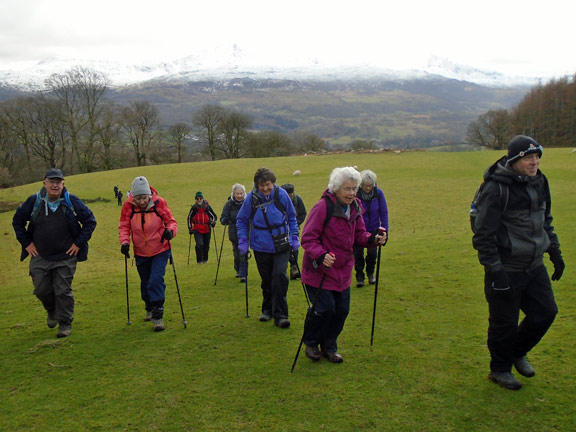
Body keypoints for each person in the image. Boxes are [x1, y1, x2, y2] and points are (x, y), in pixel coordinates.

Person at [472, 135, 565, 390]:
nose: (534, 162)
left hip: (534, 264)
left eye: (537, 157)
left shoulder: (540, 181)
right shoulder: (496, 188)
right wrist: (495, 271)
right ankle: (499, 369)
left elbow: (545, 219)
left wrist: (554, 251)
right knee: (504, 322)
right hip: (506, 267)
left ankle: (517, 351)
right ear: (515, 159)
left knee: (546, 313)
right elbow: (483, 235)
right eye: (528, 157)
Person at [300, 167, 387, 363]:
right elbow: (307, 238)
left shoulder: (355, 207)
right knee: (324, 309)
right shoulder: (322, 207)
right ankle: (312, 343)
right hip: (319, 271)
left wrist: (373, 238)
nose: (352, 193)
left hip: (343, 271)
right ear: (336, 188)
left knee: (341, 310)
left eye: (354, 189)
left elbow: (360, 235)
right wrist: (321, 255)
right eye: (347, 189)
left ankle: (330, 346)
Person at [12, 168, 97, 338]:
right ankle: (51, 310)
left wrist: (78, 244)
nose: (55, 185)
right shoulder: (34, 201)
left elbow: (90, 221)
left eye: (58, 182)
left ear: (63, 184)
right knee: (41, 289)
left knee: (62, 290)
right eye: (51, 181)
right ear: (44, 183)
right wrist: (27, 243)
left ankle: (65, 323)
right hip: (40, 255)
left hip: (66, 256)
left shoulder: (71, 201)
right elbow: (17, 221)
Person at [237, 167, 299, 328]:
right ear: (256, 184)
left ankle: (281, 315)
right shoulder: (251, 198)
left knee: (279, 277)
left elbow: (292, 216)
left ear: (273, 183)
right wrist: (243, 240)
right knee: (267, 280)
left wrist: (294, 236)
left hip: (282, 243)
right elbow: (242, 220)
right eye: (261, 185)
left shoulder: (281, 195)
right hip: (260, 245)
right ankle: (267, 309)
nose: (265, 188)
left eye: (268, 185)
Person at [119, 176, 178, 331]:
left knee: (155, 280)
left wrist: (170, 232)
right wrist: (125, 242)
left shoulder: (159, 203)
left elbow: (171, 222)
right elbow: (124, 226)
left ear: (149, 195)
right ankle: (148, 305)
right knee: (146, 282)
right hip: (140, 252)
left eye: (144, 198)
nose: (142, 201)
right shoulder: (128, 206)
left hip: (160, 249)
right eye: (138, 198)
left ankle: (158, 315)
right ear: (133, 197)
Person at [353, 169, 389, 287]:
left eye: (370, 185)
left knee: (373, 254)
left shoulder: (378, 193)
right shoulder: (355, 194)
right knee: (358, 255)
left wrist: (385, 230)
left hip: (374, 229)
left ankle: (370, 274)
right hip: (358, 230)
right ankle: (359, 276)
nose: (368, 188)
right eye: (365, 185)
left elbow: (383, 212)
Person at [220, 183, 248, 282]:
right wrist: (225, 220)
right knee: (236, 253)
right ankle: (238, 269)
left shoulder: (247, 203)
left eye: (241, 193)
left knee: (243, 252)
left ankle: (243, 273)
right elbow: (222, 217)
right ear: (234, 194)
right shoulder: (229, 204)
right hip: (233, 231)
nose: (239, 196)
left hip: (245, 231)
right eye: (237, 193)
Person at [281, 183, 307, 280]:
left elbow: (303, 213)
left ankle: (294, 269)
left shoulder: (297, 199)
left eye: (290, 195)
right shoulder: (277, 201)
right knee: (285, 248)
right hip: (281, 230)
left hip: (293, 229)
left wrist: (296, 223)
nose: (289, 197)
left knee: (295, 249)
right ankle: (289, 266)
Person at [187, 192, 218, 264]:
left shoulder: (207, 207)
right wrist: (190, 228)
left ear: (202, 198)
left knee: (206, 245)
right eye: (197, 198)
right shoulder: (194, 208)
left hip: (207, 228)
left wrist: (213, 222)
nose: (199, 200)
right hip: (197, 229)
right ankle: (199, 261)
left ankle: (205, 260)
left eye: (200, 198)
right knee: (199, 244)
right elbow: (189, 218)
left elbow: (214, 216)